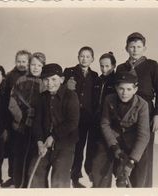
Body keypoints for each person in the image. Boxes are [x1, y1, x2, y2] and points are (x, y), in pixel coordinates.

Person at [116, 32, 158, 187]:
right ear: (126, 48)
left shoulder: (152, 65)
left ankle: (143, 188)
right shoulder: (121, 67)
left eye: (138, 47)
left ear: (144, 48)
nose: (135, 50)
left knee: (144, 152)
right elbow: (117, 91)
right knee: (126, 150)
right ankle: (125, 184)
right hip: (125, 113)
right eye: (132, 47)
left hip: (147, 112)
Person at [30, 63, 79, 188]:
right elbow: (37, 122)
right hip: (45, 144)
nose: (49, 83)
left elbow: (72, 122)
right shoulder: (41, 97)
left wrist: (53, 136)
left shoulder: (71, 96)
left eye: (53, 79)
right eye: (46, 80)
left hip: (65, 144)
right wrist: (40, 142)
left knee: (59, 177)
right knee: (35, 172)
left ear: (62, 80)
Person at [101, 71, 150, 188]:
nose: (124, 93)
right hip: (115, 142)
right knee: (110, 175)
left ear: (135, 89)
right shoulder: (109, 99)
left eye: (128, 89)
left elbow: (143, 135)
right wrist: (115, 147)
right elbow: (104, 124)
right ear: (116, 88)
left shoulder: (143, 105)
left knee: (138, 182)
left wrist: (132, 161)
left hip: (135, 145)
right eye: (121, 89)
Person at [8, 52, 46, 188]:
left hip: (37, 128)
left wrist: (37, 120)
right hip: (20, 126)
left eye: (39, 65)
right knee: (19, 156)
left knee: (33, 157)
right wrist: (21, 119)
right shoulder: (21, 80)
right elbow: (12, 102)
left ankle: (31, 187)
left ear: (43, 67)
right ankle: (18, 184)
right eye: (33, 64)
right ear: (29, 65)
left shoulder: (45, 83)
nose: (35, 68)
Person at [63, 46, 98, 187]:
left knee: (81, 147)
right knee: (70, 146)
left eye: (88, 56)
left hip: (87, 118)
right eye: (82, 56)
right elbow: (61, 91)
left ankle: (76, 176)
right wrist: (66, 85)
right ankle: (66, 175)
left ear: (92, 59)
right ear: (78, 57)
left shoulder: (95, 76)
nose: (84, 59)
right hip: (71, 116)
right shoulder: (69, 71)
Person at [2, 49, 32, 187]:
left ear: (29, 62)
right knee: (13, 148)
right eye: (18, 61)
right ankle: (13, 176)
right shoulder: (9, 76)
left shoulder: (33, 74)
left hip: (30, 118)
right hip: (13, 117)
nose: (21, 64)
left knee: (26, 150)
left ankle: (25, 177)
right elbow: (6, 96)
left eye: (24, 61)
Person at [87, 51, 116, 187]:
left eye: (107, 66)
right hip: (94, 122)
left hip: (108, 123)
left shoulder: (116, 81)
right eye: (102, 66)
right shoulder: (98, 80)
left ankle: (103, 186)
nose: (104, 69)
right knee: (92, 154)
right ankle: (95, 183)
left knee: (103, 156)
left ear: (113, 66)